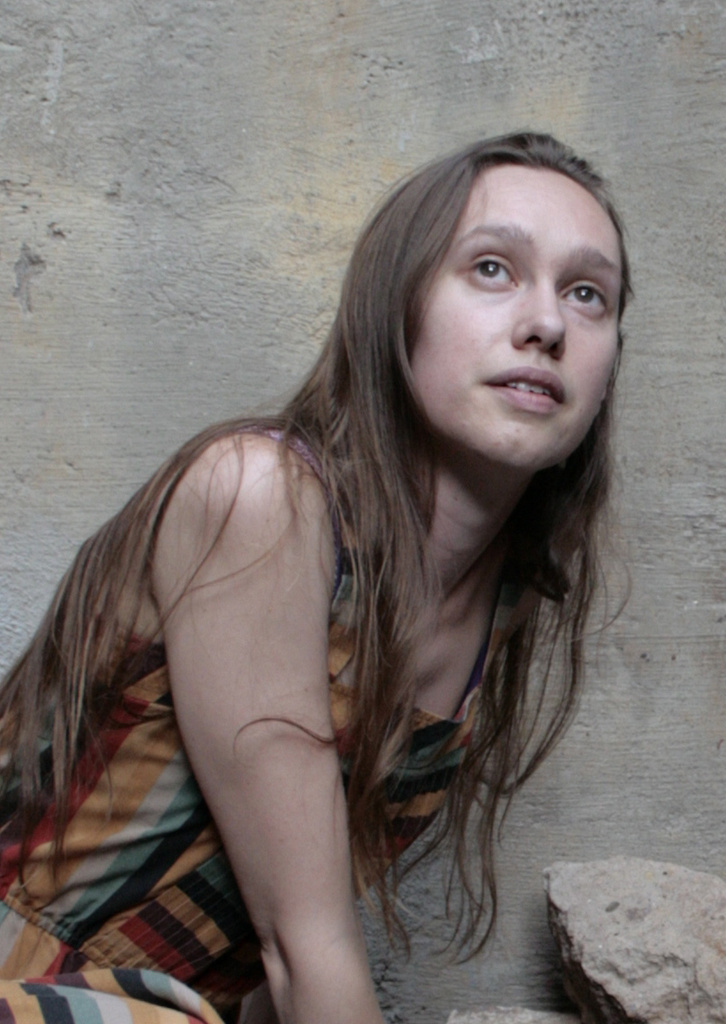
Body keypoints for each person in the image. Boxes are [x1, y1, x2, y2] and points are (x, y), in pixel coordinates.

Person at [0, 131, 631, 1024]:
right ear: (393, 308)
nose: (547, 324)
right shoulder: (260, 499)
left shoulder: (504, 593)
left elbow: (267, 969)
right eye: (491, 269)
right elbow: (306, 946)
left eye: (586, 293)